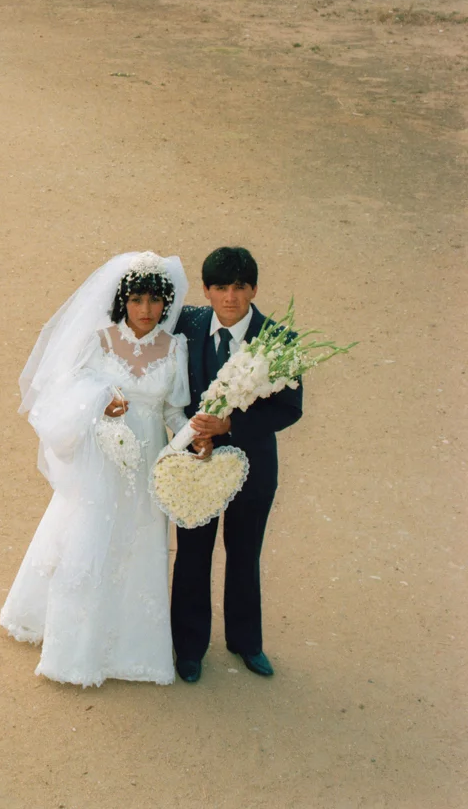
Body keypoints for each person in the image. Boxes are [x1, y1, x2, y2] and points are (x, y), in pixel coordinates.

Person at [0, 252, 191, 686]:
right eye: (138, 299)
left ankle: (129, 648)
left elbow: (174, 412)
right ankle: (73, 647)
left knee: (137, 546)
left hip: (147, 467)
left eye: (155, 301)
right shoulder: (98, 341)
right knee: (87, 542)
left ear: (166, 303)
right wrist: (99, 400)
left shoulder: (174, 348)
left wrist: (192, 438)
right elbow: (61, 393)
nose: (146, 310)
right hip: (100, 461)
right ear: (124, 300)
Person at [170, 246, 303, 682]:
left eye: (240, 287)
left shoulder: (278, 338)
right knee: (192, 554)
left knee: (245, 553)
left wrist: (230, 427)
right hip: (196, 462)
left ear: (254, 289)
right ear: (206, 290)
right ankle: (188, 648)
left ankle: (247, 642)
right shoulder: (185, 324)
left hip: (254, 465)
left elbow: (289, 409)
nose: (231, 297)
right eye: (221, 287)